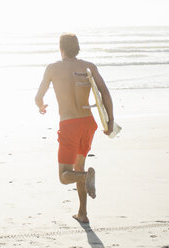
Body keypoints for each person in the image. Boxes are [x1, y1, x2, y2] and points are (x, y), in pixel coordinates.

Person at [35, 33, 114, 223]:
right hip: (87, 123)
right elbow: (104, 92)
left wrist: (41, 106)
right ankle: (83, 213)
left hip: (69, 124)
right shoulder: (88, 66)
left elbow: (38, 97)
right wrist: (110, 121)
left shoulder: (53, 68)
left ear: (60, 48)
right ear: (77, 47)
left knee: (65, 176)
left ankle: (88, 176)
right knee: (78, 167)